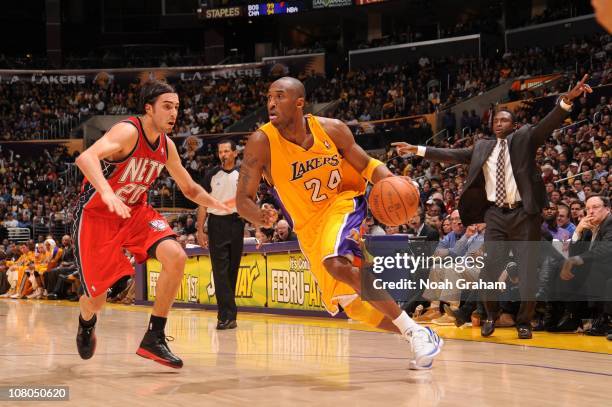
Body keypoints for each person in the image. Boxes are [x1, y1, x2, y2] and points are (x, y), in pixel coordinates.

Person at [236, 77, 443, 370]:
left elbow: (367, 164)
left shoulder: (331, 129)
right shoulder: (261, 142)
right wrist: (258, 216)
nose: (271, 103)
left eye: (279, 97)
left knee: (335, 262)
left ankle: (412, 332)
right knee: (353, 305)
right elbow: (242, 198)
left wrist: (393, 182)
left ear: (298, 103)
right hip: (308, 227)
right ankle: (419, 333)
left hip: (343, 202)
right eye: (269, 97)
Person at [394, 74, 593, 339]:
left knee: (526, 270)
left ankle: (524, 321)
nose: (499, 123)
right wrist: (416, 149)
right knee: (489, 269)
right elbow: (450, 154)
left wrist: (567, 100)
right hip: (496, 214)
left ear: (513, 125)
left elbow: (547, 124)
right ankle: (489, 315)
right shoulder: (481, 147)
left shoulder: (524, 138)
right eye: (496, 120)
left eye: (504, 120)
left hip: (524, 213)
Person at [73, 80, 230, 368]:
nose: (174, 113)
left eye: (177, 107)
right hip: (97, 216)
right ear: (149, 109)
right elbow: (86, 157)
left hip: (135, 212)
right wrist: (107, 192)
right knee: (96, 301)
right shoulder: (128, 131)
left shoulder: (167, 146)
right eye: (167, 107)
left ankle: (154, 337)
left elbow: (190, 188)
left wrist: (218, 204)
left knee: (176, 256)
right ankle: (86, 321)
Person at [197, 139, 244, 330]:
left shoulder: (243, 174)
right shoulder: (211, 175)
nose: (223, 154)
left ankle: (229, 315)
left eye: (226, 151)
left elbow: (249, 200)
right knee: (220, 271)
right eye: (220, 152)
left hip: (237, 223)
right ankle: (225, 316)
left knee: (232, 270)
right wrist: (200, 230)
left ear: (234, 153)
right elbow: (201, 203)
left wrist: (256, 226)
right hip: (216, 224)